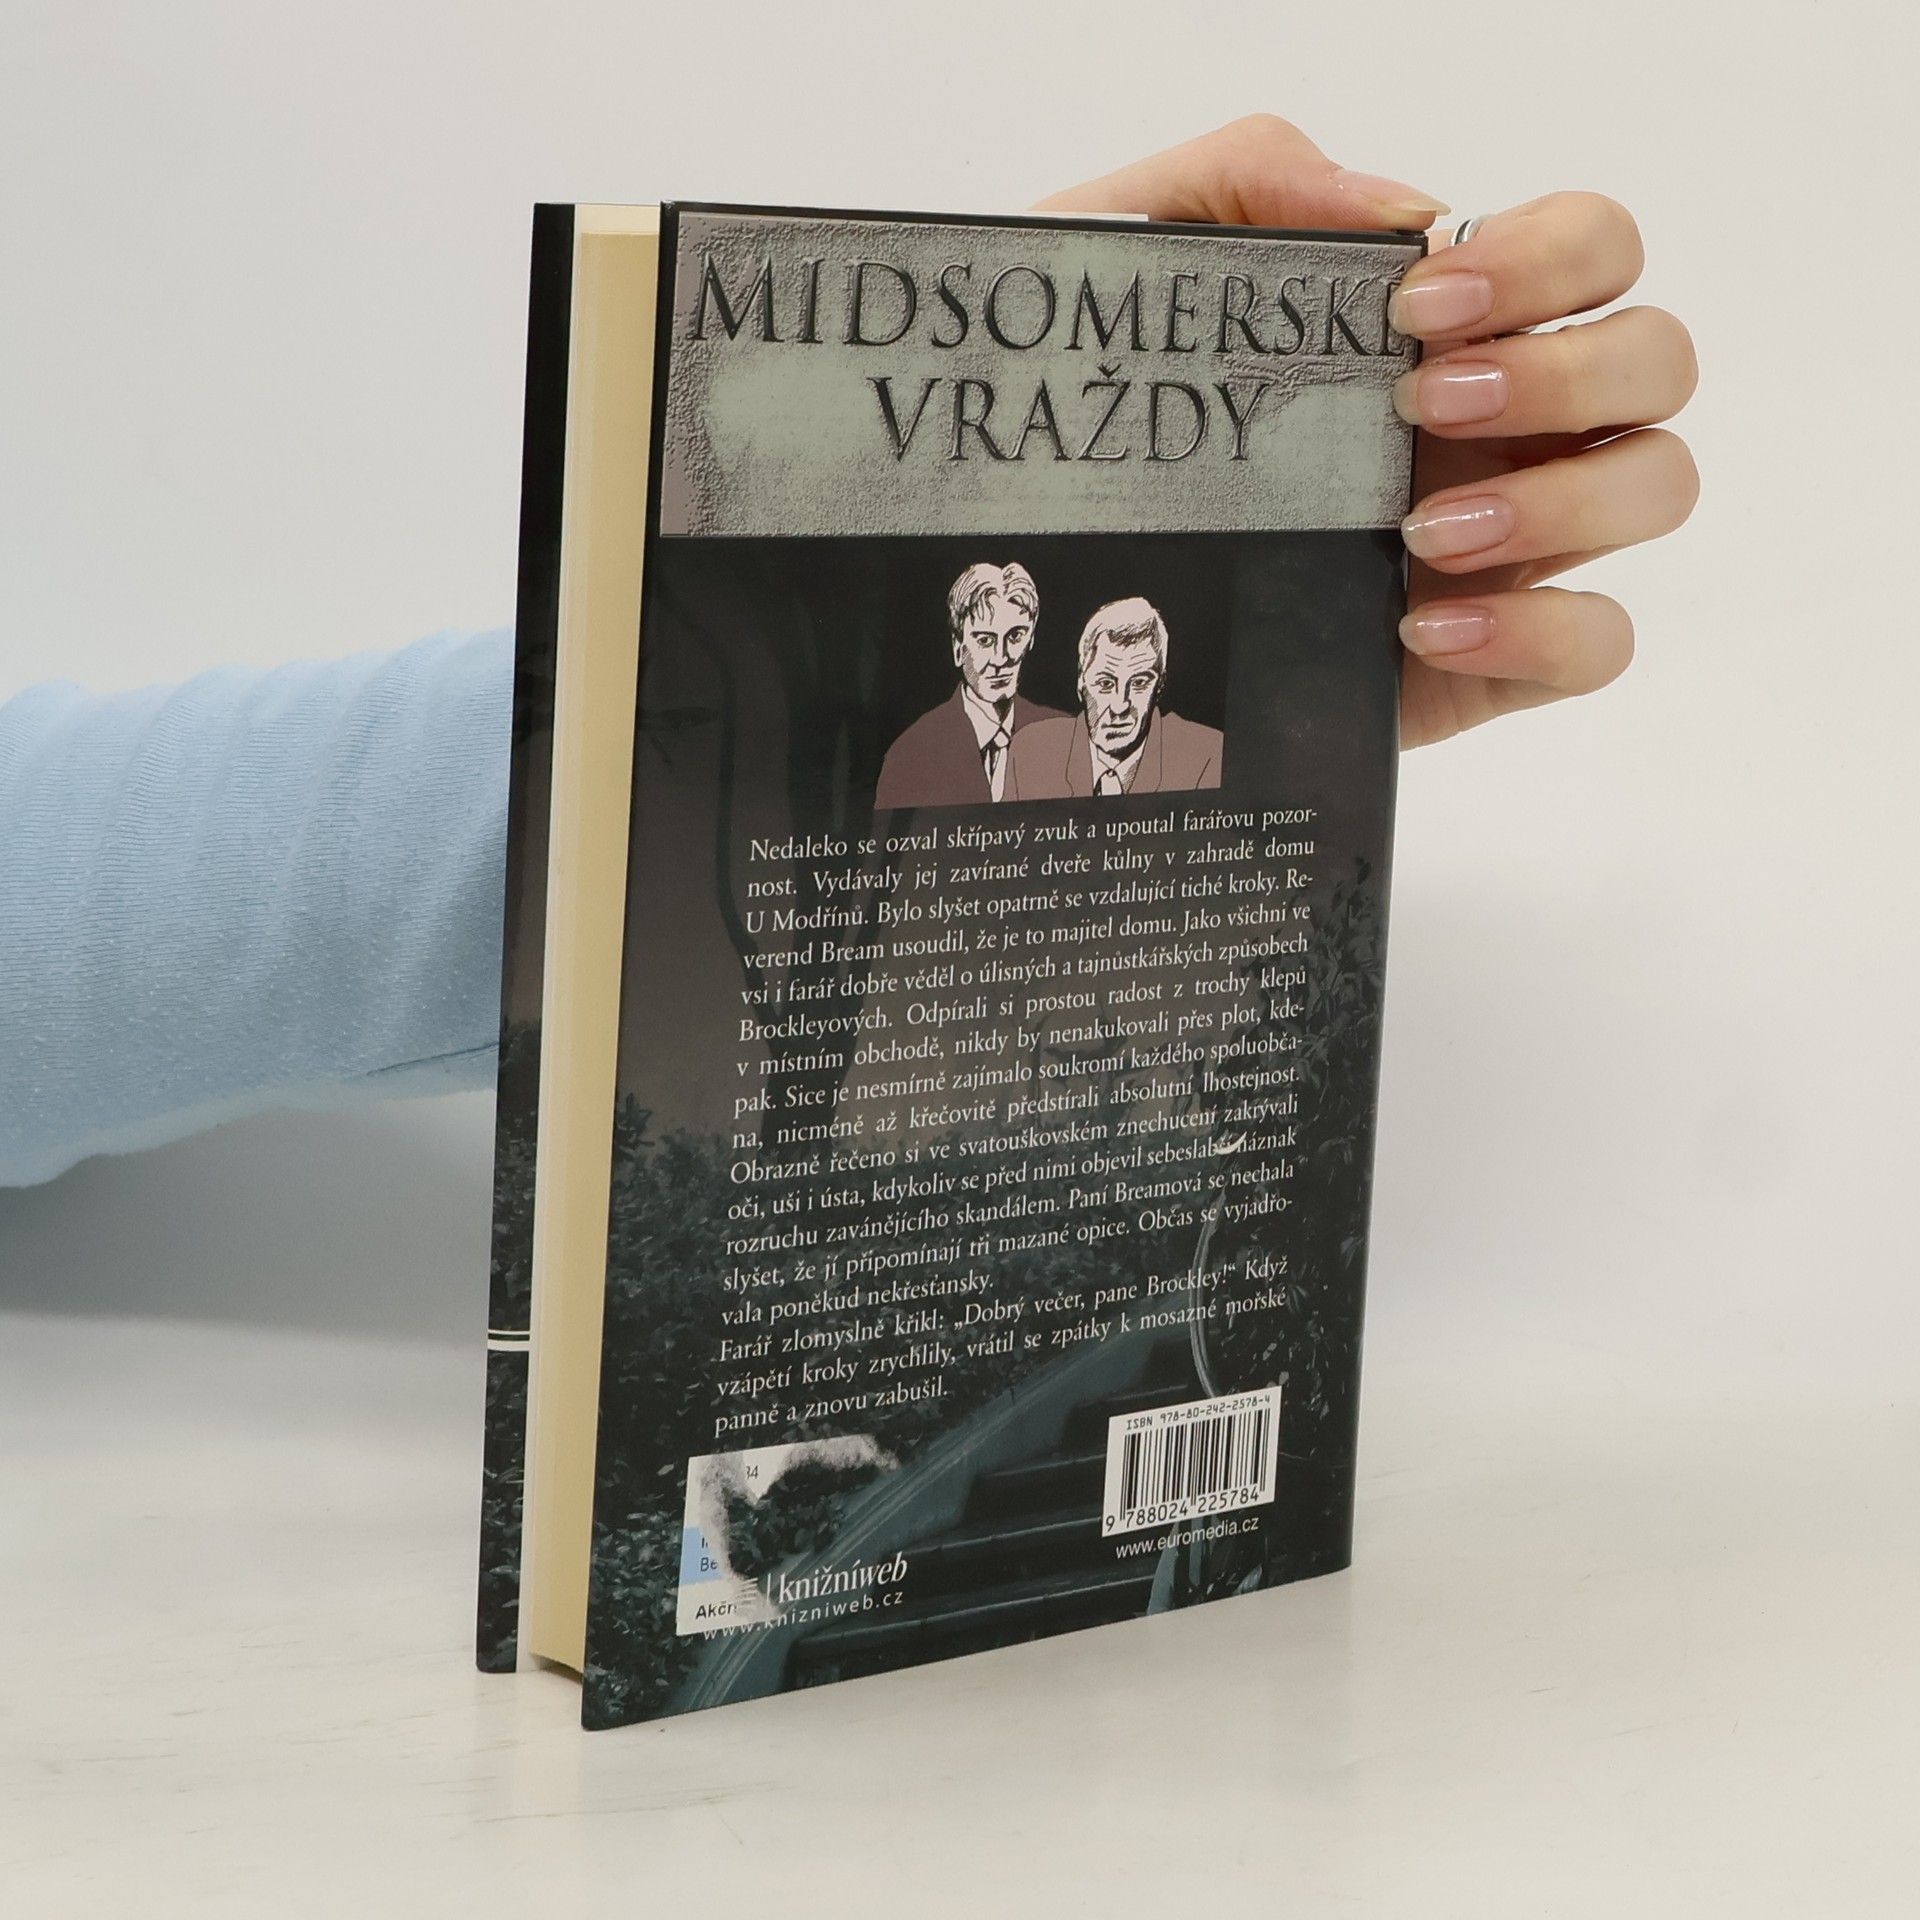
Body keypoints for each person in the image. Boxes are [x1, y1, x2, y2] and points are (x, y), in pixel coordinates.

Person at [0, 117, 1700, 1190]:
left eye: (1029, 621)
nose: (1045, 659)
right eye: (986, 618)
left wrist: (1057, 427)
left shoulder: (1122, 745)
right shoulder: (909, 755)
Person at [874, 561, 1063, 809]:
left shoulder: (1062, 738)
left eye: (1015, 636)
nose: (1001, 658)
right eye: (985, 640)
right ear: (957, 646)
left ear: (1032, 638)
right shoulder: (912, 753)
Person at [1005, 598, 1221, 799]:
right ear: (1081, 682)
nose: (1120, 706)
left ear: (1159, 686)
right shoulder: (1030, 752)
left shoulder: (1207, 756)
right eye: (1105, 684)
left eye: (1139, 683)